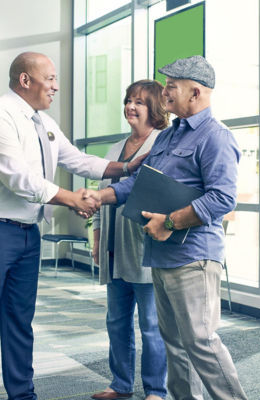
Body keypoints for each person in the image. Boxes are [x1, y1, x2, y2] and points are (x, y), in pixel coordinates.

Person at [0, 51, 145, 400]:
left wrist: (125, 167)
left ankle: (22, 395)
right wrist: (72, 199)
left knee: (20, 319)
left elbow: (76, 159)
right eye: (50, 78)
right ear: (25, 80)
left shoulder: (43, 123)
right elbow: (19, 179)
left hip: (26, 232)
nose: (56, 87)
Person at [86, 55, 248, 400]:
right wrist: (101, 196)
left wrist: (171, 222)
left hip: (193, 257)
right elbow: (141, 182)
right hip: (160, 255)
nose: (166, 92)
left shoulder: (215, 137)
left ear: (196, 92)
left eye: (172, 86)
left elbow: (222, 199)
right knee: (174, 344)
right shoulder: (167, 136)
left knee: (201, 342)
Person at [91, 80, 168, 400]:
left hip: (145, 248)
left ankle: (155, 389)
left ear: (154, 108)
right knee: (116, 321)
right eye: (128, 100)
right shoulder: (115, 149)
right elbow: (100, 194)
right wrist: (96, 237)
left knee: (151, 325)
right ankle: (120, 383)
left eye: (139, 101)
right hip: (113, 247)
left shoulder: (161, 142)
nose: (130, 107)